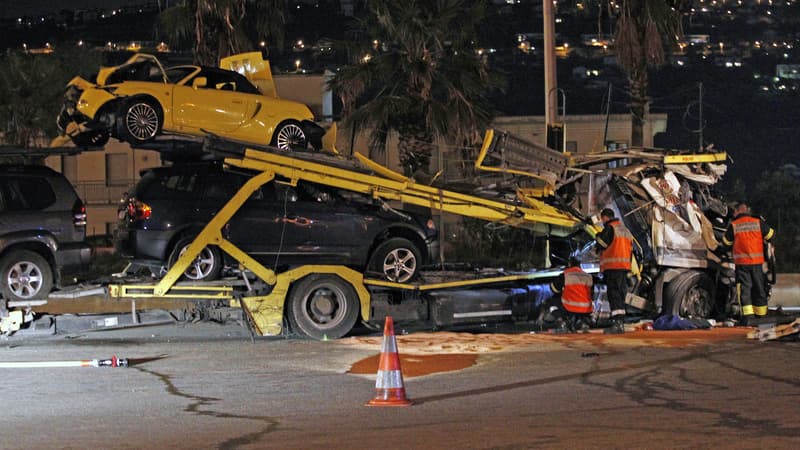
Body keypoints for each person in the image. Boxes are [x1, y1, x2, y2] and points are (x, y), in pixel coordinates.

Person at [722, 202, 775, 325]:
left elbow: (725, 243)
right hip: (757, 263)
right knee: (759, 288)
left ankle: (748, 317)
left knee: (745, 289)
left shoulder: (734, 225)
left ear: (738, 211)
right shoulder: (757, 221)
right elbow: (770, 235)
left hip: (742, 264)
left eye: (734, 211)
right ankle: (761, 316)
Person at [594, 208, 633, 334]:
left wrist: (597, 236)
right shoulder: (625, 229)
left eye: (602, 218)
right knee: (620, 295)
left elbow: (601, 244)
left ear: (605, 217)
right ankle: (620, 322)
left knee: (614, 294)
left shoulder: (610, 228)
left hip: (613, 267)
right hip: (623, 267)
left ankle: (617, 324)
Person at [549, 256, 593, 333]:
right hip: (586, 309)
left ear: (569, 264)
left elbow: (554, 289)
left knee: (553, 302)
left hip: (569, 308)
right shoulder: (588, 276)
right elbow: (591, 293)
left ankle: (563, 323)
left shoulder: (565, 275)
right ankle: (584, 322)